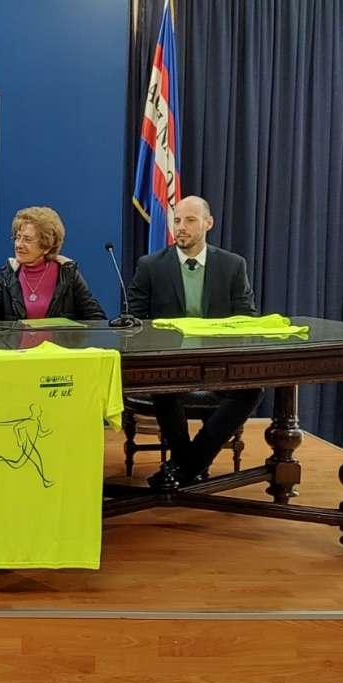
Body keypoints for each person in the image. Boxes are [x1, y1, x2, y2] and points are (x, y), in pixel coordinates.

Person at [126, 195, 262, 487]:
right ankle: (193, 466)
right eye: (176, 220)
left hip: (218, 364)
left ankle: (184, 465)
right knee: (165, 388)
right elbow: (134, 321)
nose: (181, 227)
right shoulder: (150, 266)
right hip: (170, 364)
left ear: (208, 223)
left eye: (190, 220)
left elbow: (247, 319)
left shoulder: (232, 265)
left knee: (251, 390)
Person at [0, 206, 106, 322]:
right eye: (18, 237)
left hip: (59, 344)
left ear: (47, 246)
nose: (19, 245)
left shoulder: (68, 274)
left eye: (27, 239)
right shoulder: (6, 275)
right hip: (16, 344)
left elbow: (96, 319)